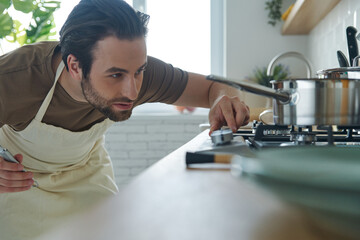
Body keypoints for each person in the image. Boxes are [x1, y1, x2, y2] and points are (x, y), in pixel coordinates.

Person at [0, 0, 249, 239]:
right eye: (115, 75)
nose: (132, 92)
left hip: (85, 174)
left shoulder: (135, 71)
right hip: (20, 184)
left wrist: (222, 100)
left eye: (139, 72)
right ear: (75, 66)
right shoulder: (15, 79)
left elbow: (216, 86)